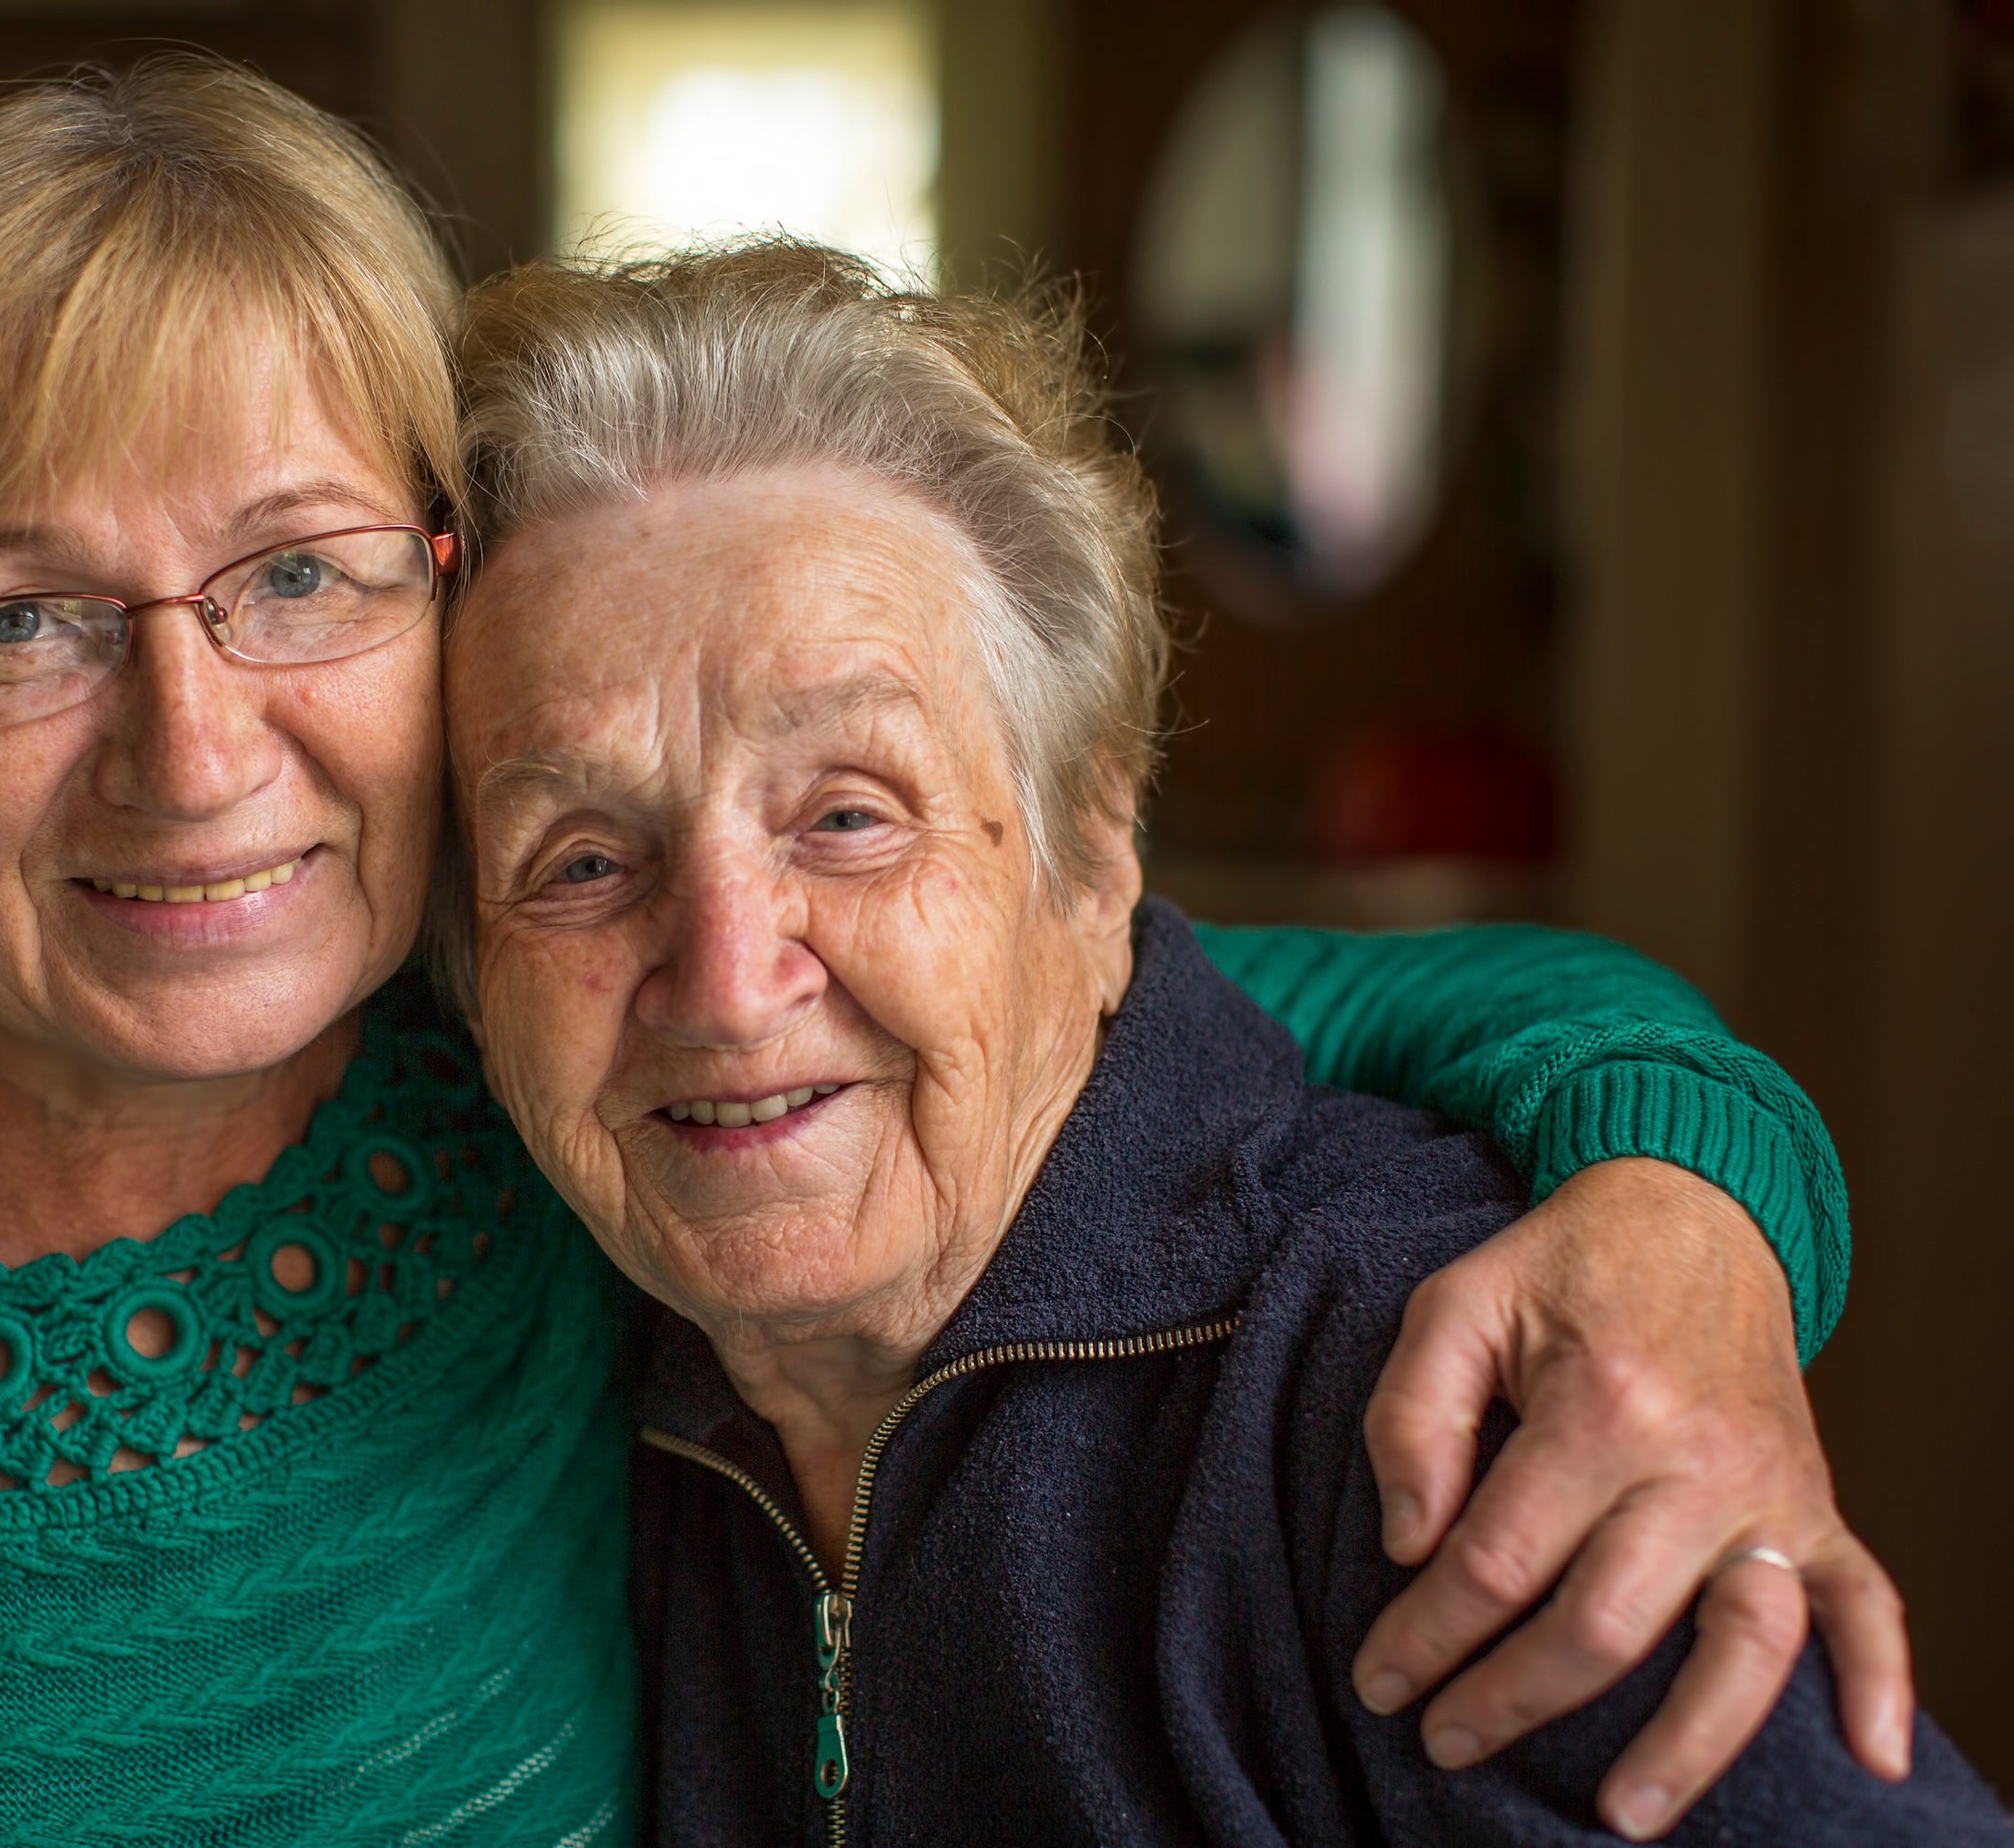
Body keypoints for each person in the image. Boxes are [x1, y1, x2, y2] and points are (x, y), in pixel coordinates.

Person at [0, 62, 1901, 1845]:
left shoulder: (537, 1066)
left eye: (296, 577)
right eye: (14, 623)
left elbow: (1375, 1012)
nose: (193, 754)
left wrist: (1698, 1229)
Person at [439, 238, 1999, 1843]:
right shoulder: (533, 1359)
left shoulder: (1407, 1394)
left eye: (849, 816)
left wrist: (1696, 1199)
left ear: (1095, 850)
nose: (722, 979)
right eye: (581, 862)